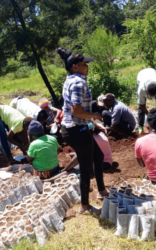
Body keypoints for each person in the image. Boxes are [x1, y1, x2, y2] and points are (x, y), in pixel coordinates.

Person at [56, 47, 109, 213]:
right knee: (86, 168)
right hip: (76, 129)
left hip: (74, 128)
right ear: (75, 66)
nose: (87, 67)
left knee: (98, 156)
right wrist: (96, 116)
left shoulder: (71, 79)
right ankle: (84, 206)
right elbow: (77, 111)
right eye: (84, 64)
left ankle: (101, 191)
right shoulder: (78, 83)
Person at [136, 68, 156, 134]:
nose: (152, 98)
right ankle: (140, 128)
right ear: (147, 92)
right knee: (140, 108)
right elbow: (141, 104)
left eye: (154, 96)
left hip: (153, 72)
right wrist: (148, 114)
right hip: (141, 75)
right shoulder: (142, 89)